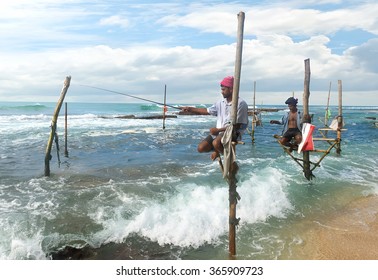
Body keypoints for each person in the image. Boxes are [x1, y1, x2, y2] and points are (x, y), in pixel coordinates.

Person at [181, 76, 249, 160]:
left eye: (223, 90)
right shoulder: (220, 102)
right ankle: (218, 151)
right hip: (219, 132)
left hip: (233, 132)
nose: (221, 92)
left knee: (216, 142)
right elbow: (208, 111)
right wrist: (191, 109)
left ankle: (230, 160)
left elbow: (239, 125)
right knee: (201, 148)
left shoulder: (241, 104)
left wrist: (218, 130)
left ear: (231, 89)